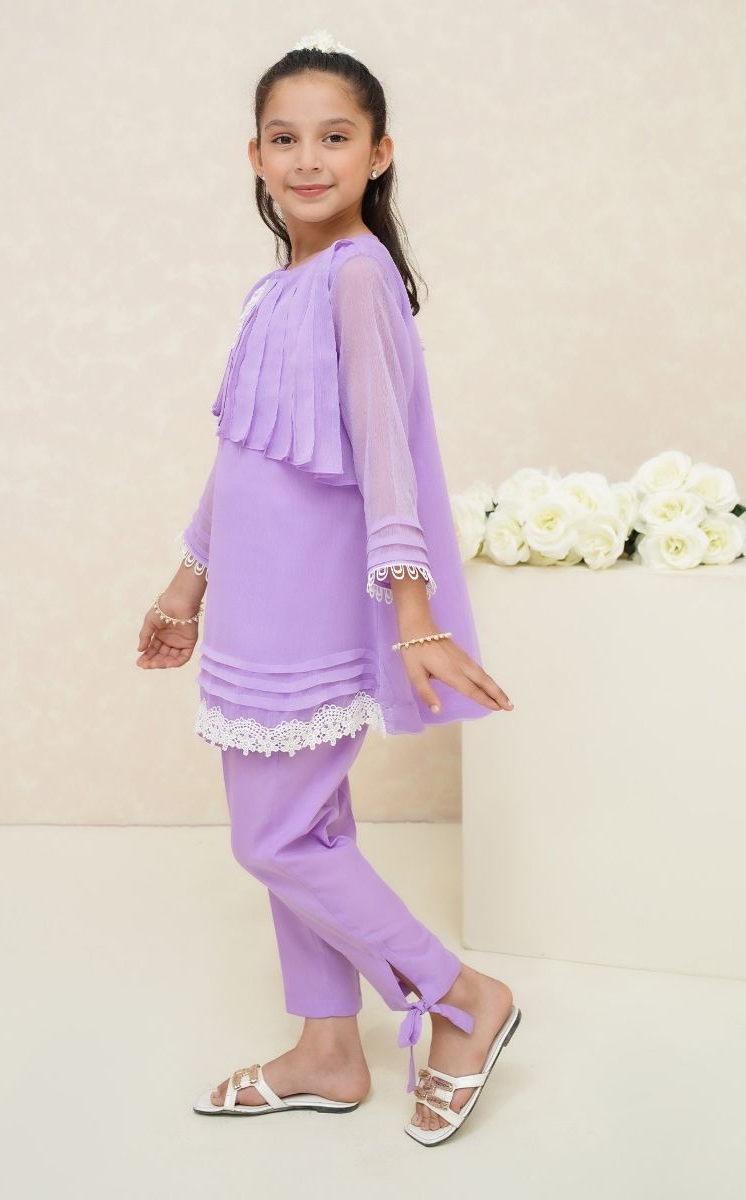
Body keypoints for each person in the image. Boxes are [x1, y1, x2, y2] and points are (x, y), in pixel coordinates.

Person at [136, 30, 520, 1146]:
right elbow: (243, 457)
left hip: (312, 606)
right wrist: (186, 585)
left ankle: (464, 999)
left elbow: (387, 452)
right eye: (285, 138)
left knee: (273, 838)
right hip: (251, 603)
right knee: (306, 825)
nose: (309, 159)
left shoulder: (357, 278)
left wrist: (415, 617)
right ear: (254, 155)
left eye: (335, 137)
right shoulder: (277, 290)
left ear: (379, 153)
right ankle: (326, 1048)